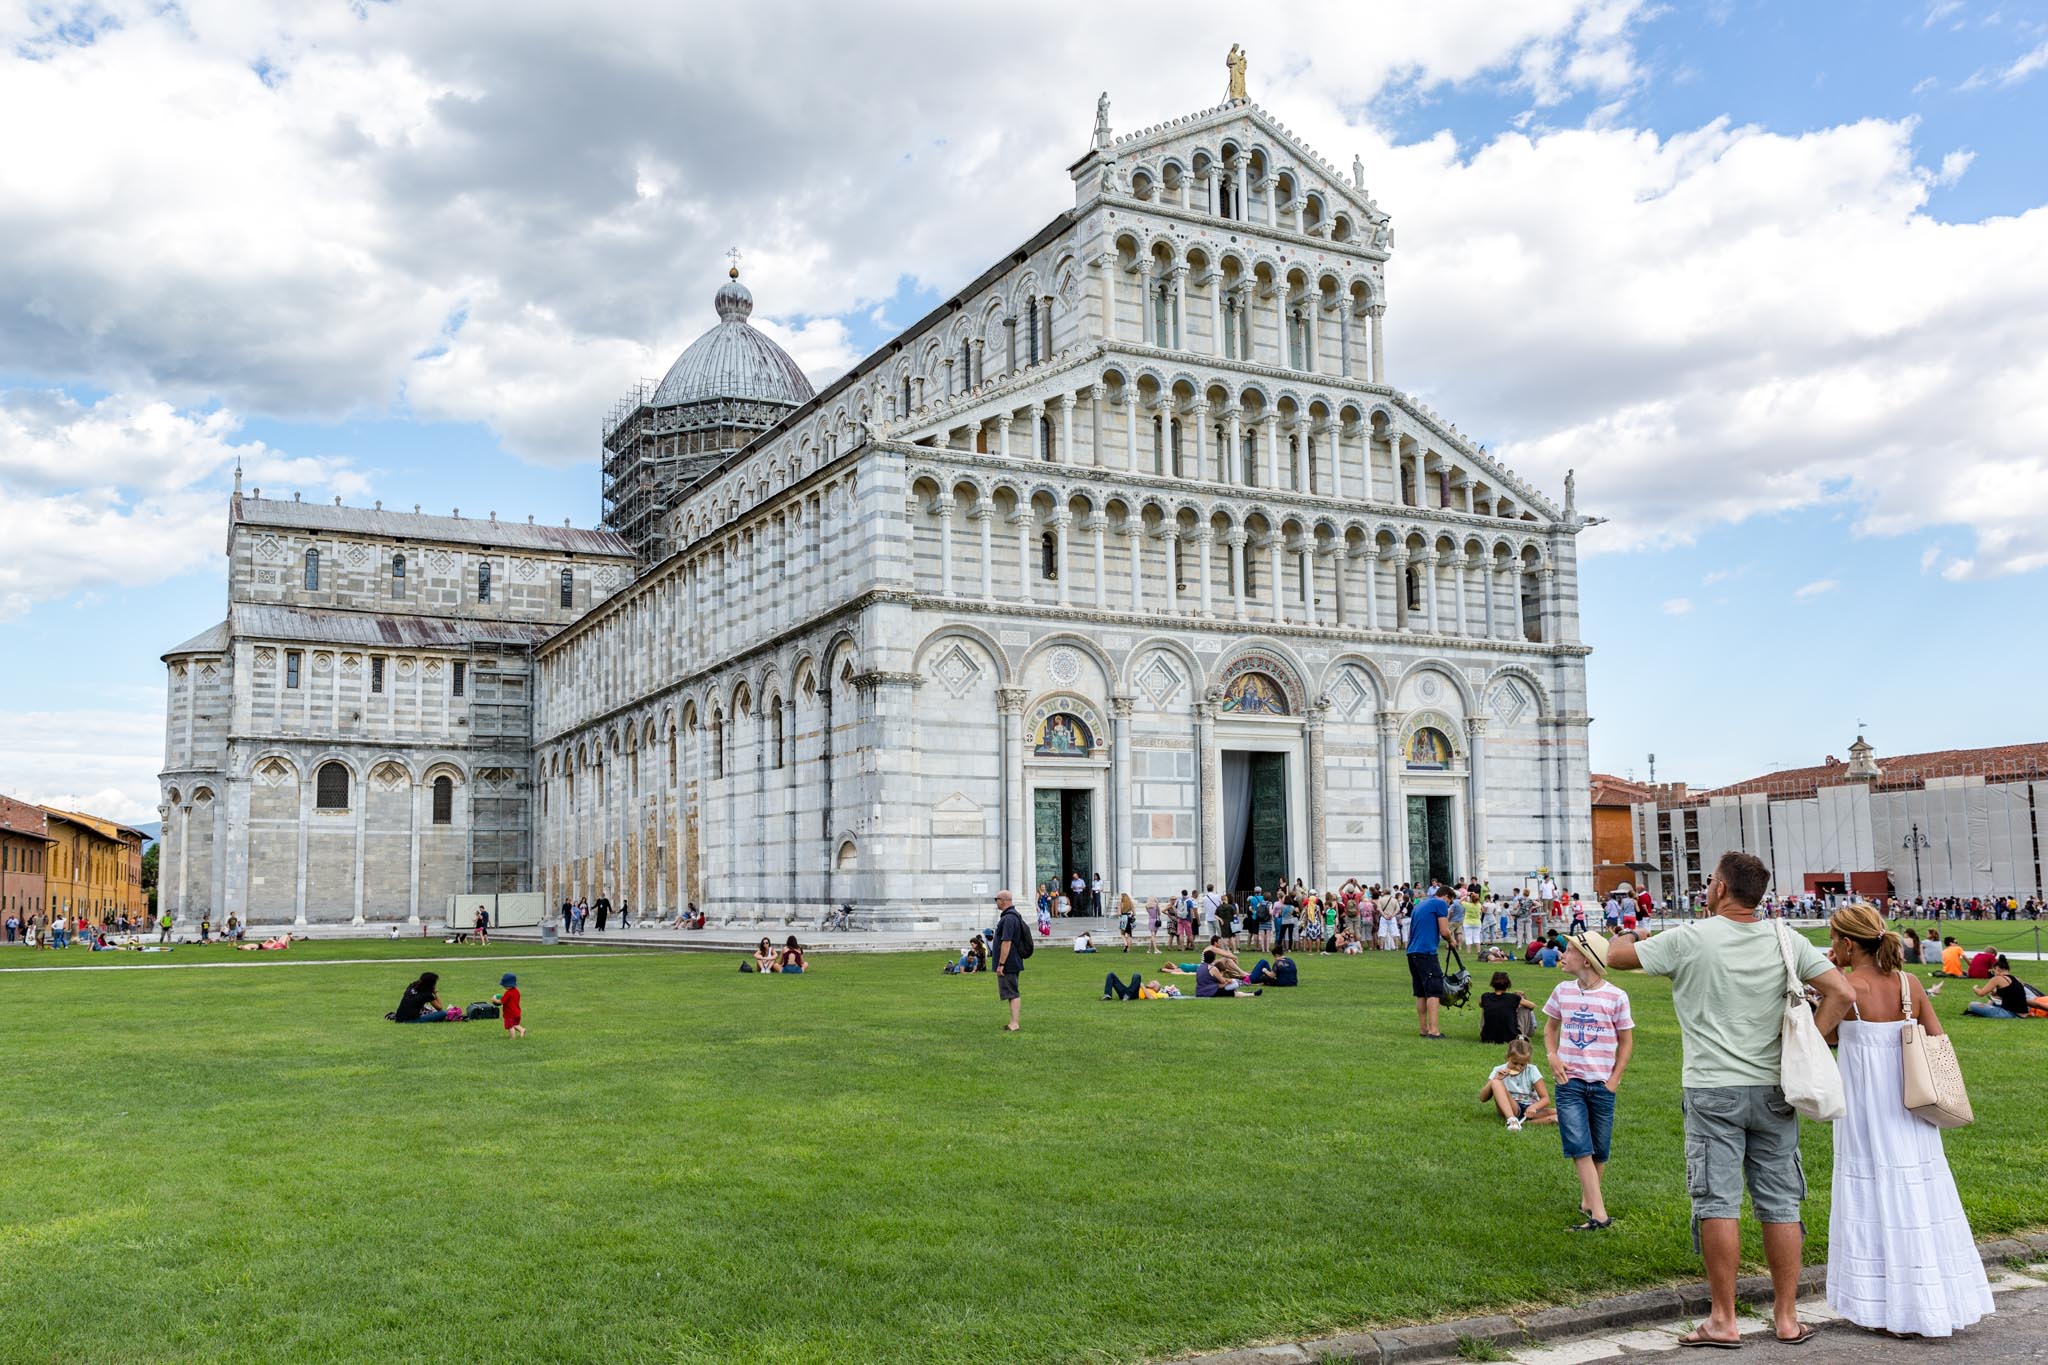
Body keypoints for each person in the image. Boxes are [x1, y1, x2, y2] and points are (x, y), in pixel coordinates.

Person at [1602, 851, 1853, 1348]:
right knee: (1780, 1202)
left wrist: (1629, 929)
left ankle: (1724, 1318)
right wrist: (1811, 1042)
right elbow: (1841, 993)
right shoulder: (1787, 938)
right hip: (1775, 1086)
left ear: (1719, 888)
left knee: (1718, 1201)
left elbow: (1614, 955)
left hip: (1712, 1086)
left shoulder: (1691, 937)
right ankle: (1785, 1316)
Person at [1821, 903, 1991, 1336]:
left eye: (1832, 939)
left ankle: (1883, 1305)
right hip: (1913, 1104)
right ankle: (1932, 1297)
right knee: (1920, 1192)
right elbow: (1936, 1040)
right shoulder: (1909, 983)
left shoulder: (1845, 988)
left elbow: (1826, 1036)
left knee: (1873, 1196)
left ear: (1845, 943)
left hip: (1866, 1108)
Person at [1542, 930, 1634, 1231]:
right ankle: (1599, 1214)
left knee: (1600, 1148)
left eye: (1567, 951)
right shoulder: (1562, 991)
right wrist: (1552, 1056)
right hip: (1570, 1083)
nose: (1562, 955)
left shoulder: (1616, 997)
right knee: (1579, 1145)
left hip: (1602, 1083)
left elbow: (1626, 1041)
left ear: (1585, 958)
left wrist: (1614, 1080)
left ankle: (1587, 1200)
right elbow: (1550, 1028)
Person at [1406, 884, 1454, 1039]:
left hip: (1412, 951)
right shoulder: (1440, 904)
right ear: (1446, 896)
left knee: (1421, 992)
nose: (1448, 905)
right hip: (1426, 951)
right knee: (1433, 991)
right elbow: (1444, 930)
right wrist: (1451, 940)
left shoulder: (1419, 905)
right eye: (1449, 902)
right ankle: (1434, 1030)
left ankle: (1423, 1028)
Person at [1481, 1037, 1555, 1130]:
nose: (1518, 1067)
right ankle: (1512, 1120)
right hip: (1512, 1108)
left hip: (1530, 1110)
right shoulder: (1498, 1070)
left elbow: (1545, 1099)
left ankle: (1526, 1123)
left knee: (1563, 1116)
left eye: (1522, 1065)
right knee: (1496, 1083)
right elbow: (1482, 1098)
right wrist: (1495, 1079)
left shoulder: (1532, 1070)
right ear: (1508, 1057)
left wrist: (1534, 1107)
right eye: (1515, 1063)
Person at [992, 890, 1029, 1031]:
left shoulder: (1008, 919)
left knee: (1012, 992)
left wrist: (1001, 964)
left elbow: (1006, 942)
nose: (996, 901)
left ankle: (1014, 1023)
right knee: (1010, 992)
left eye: (997, 899)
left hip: (1009, 961)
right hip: (1013, 960)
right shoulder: (1014, 916)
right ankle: (1013, 1022)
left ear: (1004, 900)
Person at [1965, 956, 2044, 1018]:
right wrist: (1996, 993)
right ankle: (1988, 1009)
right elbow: (2013, 995)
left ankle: (1987, 1010)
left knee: (1972, 1005)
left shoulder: (1998, 978)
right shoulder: (2017, 979)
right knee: (1993, 1002)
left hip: (2011, 1014)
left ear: (1998, 969)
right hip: (2024, 1013)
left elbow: (1981, 993)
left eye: (1993, 971)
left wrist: (1975, 988)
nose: (1993, 973)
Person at [1478, 971, 1537, 1044]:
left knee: (1486, 1007)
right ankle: (1523, 1034)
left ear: (1492, 984)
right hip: (1510, 1038)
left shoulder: (1485, 997)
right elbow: (1532, 1006)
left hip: (1487, 1038)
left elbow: (1480, 1004)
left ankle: (1485, 1031)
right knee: (1525, 1008)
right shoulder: (1513, 998)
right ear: (1508, 984)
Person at [497, 972, 527, 1038]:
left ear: (508, 985)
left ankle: (512, 1038)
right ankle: (522, 1030)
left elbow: (500, 1002)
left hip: (510, 1013)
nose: (503, 987)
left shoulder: (508, 993)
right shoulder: (517, 991)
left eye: (504, 986)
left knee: (510, 1027)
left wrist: (494, 1000)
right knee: (515, 1024)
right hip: (517, 1012)